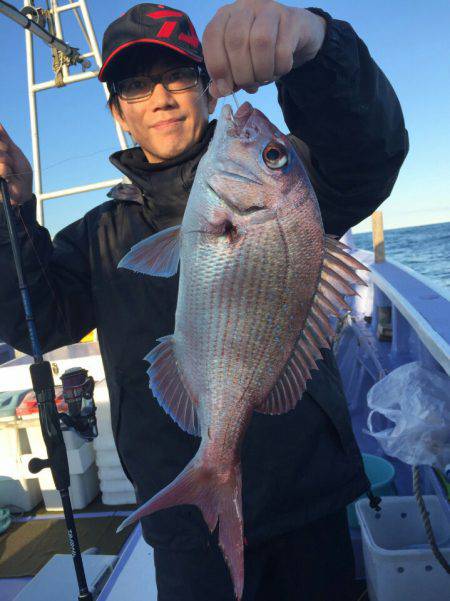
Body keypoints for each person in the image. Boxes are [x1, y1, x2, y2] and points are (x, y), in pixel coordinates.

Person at [0, 2, 408, 599]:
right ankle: (211, 474)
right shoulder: (96, 237)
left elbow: (369, 154)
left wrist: (318, 46)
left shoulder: (296, 188)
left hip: (307, 498)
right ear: (118, 113)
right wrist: (11, 213)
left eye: (178, 76)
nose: (160, 97)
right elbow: (35, 322)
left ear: (209, 91)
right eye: (136, 86)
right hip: (186, 523)